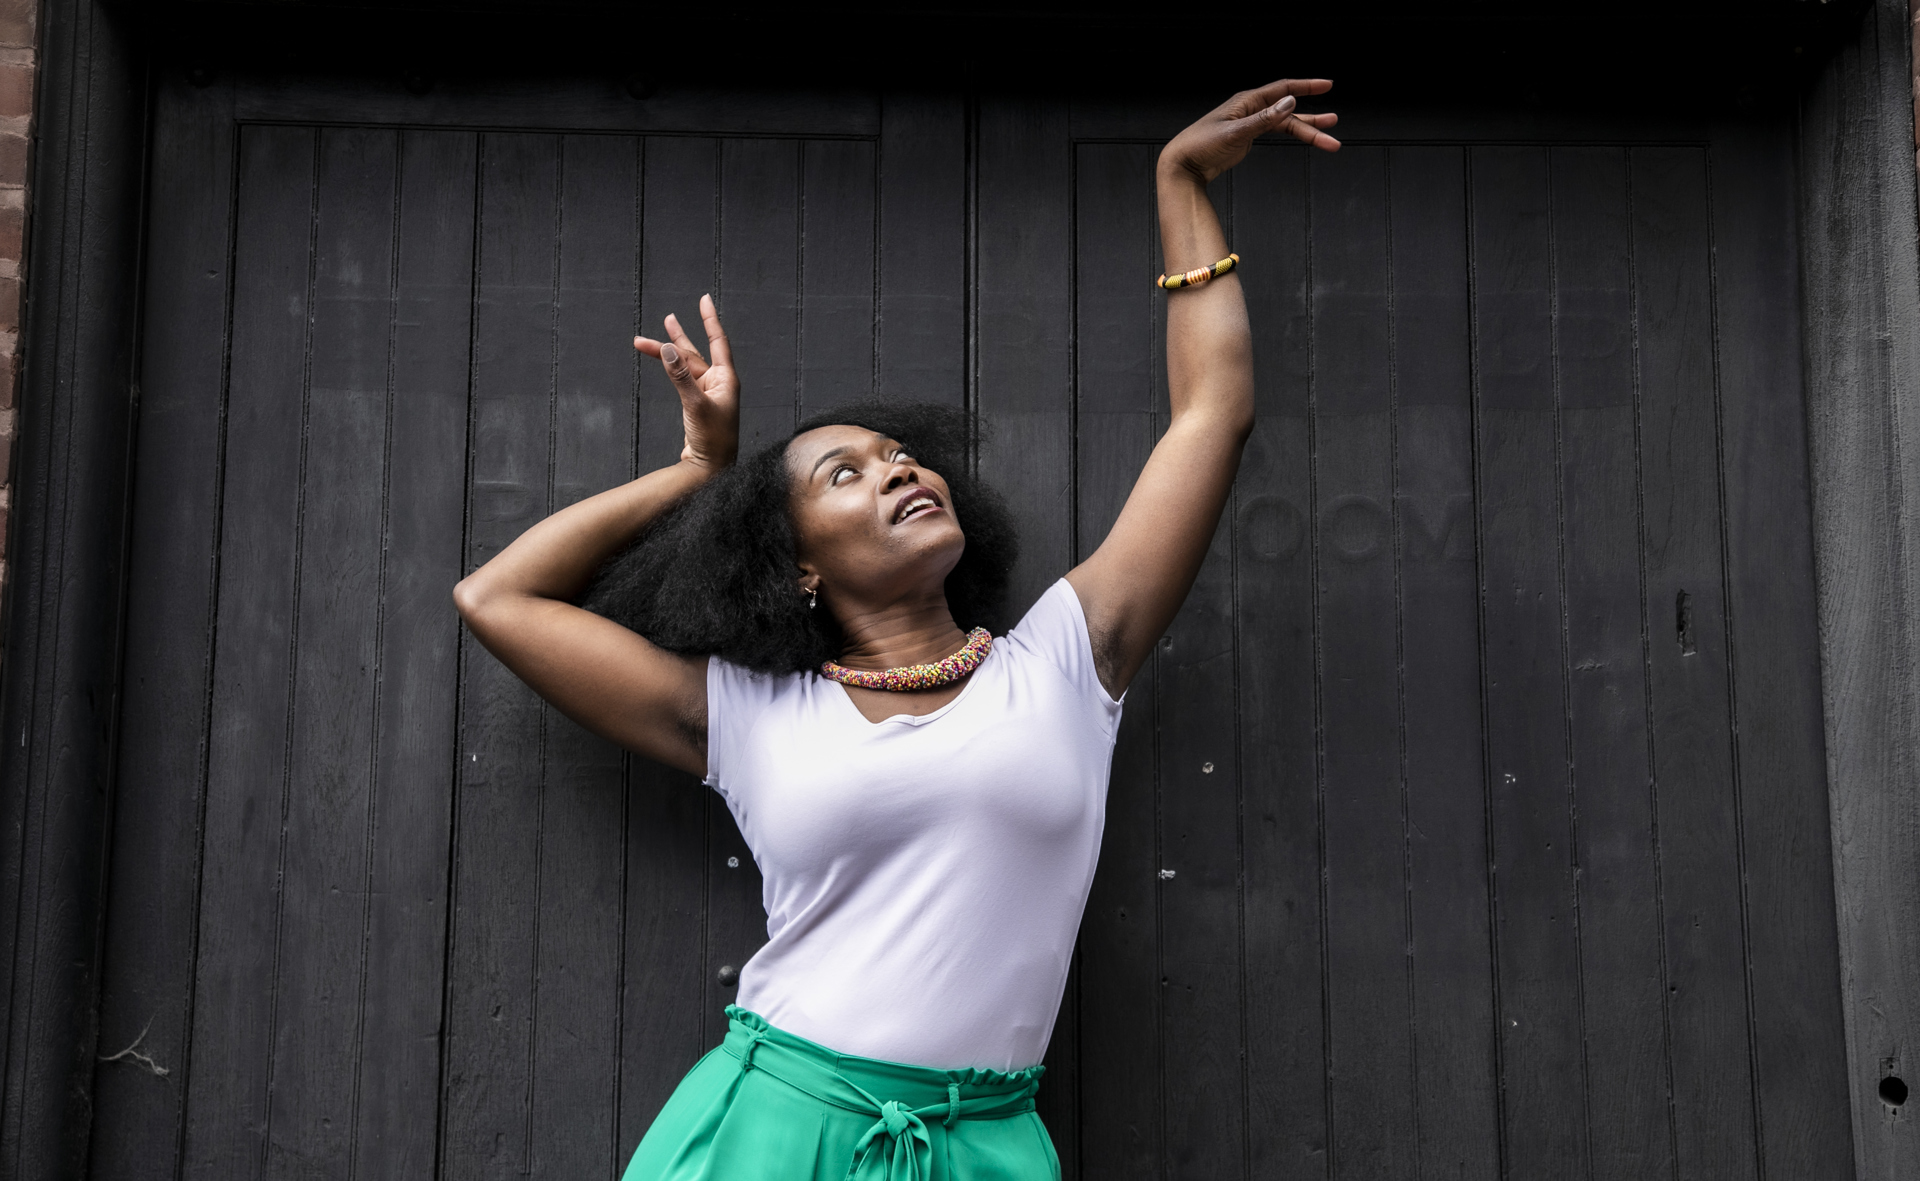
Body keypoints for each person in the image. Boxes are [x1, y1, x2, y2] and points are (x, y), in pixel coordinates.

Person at [452, 78, 1340, 1181]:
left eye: (901, 455)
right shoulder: (745, 710)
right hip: (771, 1124)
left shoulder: (1068, 657)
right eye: (846, 472)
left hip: (984, 1144)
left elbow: (1214, 410)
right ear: (799, 563)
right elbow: (497, 600)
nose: (898, 469)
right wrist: (697, 471)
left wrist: (1181, 181)